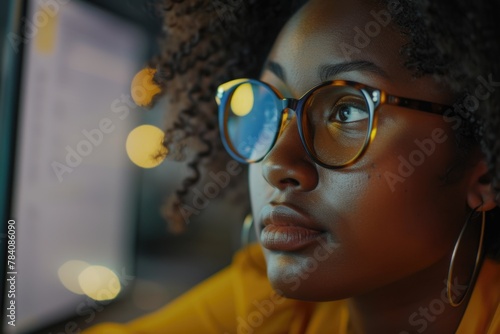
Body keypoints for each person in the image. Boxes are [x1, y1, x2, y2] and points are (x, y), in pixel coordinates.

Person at [85, 0, 500, 332]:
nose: (276, 162)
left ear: (482, 166)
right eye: (270, 109)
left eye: (348, 111)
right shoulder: (266, 304)